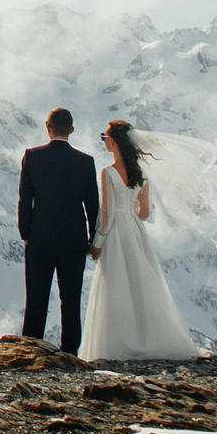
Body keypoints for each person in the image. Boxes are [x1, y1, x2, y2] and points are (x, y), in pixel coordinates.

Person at [77, 118, 204, 361]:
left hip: (116, 235)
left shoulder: (108, 172)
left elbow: (107, 215)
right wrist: (131, 215)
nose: (103, 141)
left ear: (113, 142)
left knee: (117, 285)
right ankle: (147, 338)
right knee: (140, 284)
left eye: (104, 137)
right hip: (135, 231)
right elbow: (144, 213)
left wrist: (96, 245)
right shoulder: (141, 173)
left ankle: (119, 344)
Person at [16, 107, 101, 349]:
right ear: (71, 130)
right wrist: (93, 239)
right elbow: (92, 206)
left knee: (36, 300)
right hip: (74, 240)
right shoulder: (86, 162)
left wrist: (26, 235)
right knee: (71, 301)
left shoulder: (32, 156)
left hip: (39, 238)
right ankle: (70, 354)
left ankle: (30, 350)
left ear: (47, 127)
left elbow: (25, 199)